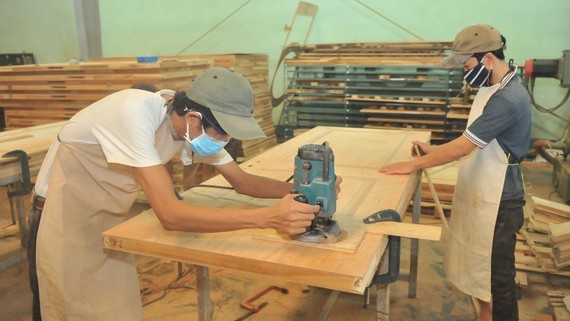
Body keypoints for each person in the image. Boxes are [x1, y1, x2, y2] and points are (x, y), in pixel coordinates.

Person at [30, 67, 342, 320]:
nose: (224, 142)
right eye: (222, 133)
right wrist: (267, 218)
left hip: (107, 220)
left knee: (113, 308)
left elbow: (242, 181)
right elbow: (170, 215)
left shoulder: (191, 130)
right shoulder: (133, 113)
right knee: (63, 307)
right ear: (193, 117)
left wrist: (309, 188)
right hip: (60, 219)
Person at [379, 24, 530, 321]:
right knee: (478, 264)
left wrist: (412, 165)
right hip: (483, 191)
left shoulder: (507, 99)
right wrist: (434, 151)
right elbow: (472, 140)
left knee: (497, 275)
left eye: (466, 64)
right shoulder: (492, 88)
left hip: (501, 200)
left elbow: (463, 148)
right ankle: (485, 315)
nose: (463, 71)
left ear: (488, 59)